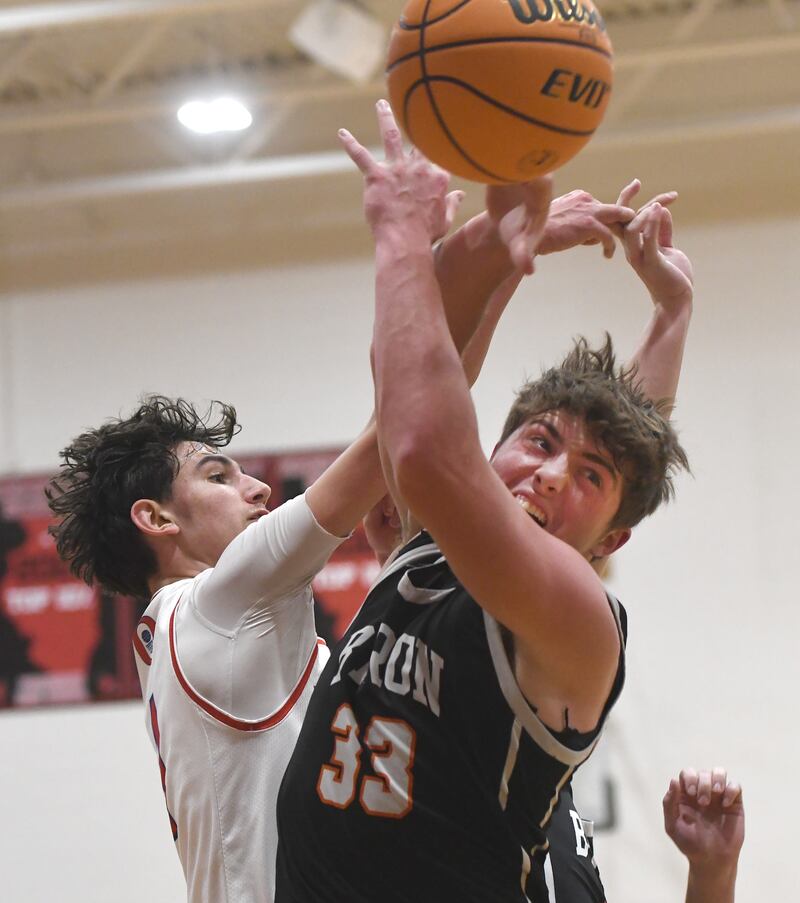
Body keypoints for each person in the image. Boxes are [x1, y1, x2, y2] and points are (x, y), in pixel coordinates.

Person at [46, 158, 639, 900]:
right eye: (219, 475)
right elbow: (403, 425)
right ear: (156, 519)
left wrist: (500, 261)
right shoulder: (217, 606)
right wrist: (495, 255)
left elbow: (408, 413)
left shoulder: (223, 637)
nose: (257, 485)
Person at [274, 101, 689, 903]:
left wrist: (400, 236)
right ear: (494, 448)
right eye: (537, 441)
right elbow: (424, 371)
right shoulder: (433, 533)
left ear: (611, 540)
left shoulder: (574, 615)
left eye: (590, 478)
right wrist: (508, 252)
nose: (554, 474)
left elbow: (424, 443)